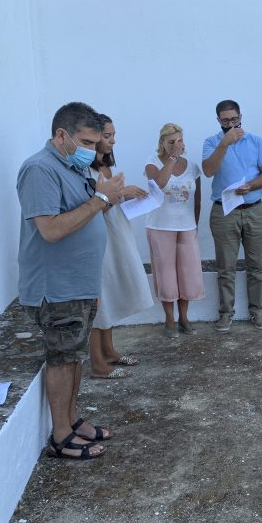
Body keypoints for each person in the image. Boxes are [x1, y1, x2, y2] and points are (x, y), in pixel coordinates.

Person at [17, 101, 124, 460]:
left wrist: (106, 198)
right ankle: (60, 436)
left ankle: (73, 420)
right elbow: (50, 229)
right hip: (56, 288)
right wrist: (101, 199)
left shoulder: (69, 167)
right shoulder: (39, 170)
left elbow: (84, 216)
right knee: (62, 359)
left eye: (96, 144)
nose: (91, 150)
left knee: (74, 355)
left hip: (79, 285)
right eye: (86, 142)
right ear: (61, 135)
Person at [87, 115, 154, 379]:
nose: (112, 140)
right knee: (99, 298)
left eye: (113, 135)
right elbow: (92, 205)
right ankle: (98, 364)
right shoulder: (87, 169)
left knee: (111, 292)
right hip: (99, 237)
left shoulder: (105, 166)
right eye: (107, 136)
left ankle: (109, 351)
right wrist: (120, 194)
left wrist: (125, 194)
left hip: (115, 233)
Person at [202, 100, 262, 333]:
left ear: (241, 116)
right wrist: (224, 144)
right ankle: (225, 314)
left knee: (256, 265)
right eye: (225, 121)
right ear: (218, 121)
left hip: (254, 209)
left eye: (234, 119)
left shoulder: (256, 141)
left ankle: (257, 311)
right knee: (226, 267)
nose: (231, 124)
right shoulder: (212, 142)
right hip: (224, 211)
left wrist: (251, 186)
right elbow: (208, 170)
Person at [144, 123, 205, 337]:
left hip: (187, 227)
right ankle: (169, 320)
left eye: (179, 141)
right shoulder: (151, 163)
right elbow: (159, 184)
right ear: (162, 142)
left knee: (188, 274)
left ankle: (184, 318)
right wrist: (172, 158)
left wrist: (194, 224)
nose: (176, 145)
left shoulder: (192, 166)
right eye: (171, 142)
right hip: (160, 226)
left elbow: (197, 200)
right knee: (166, 274)